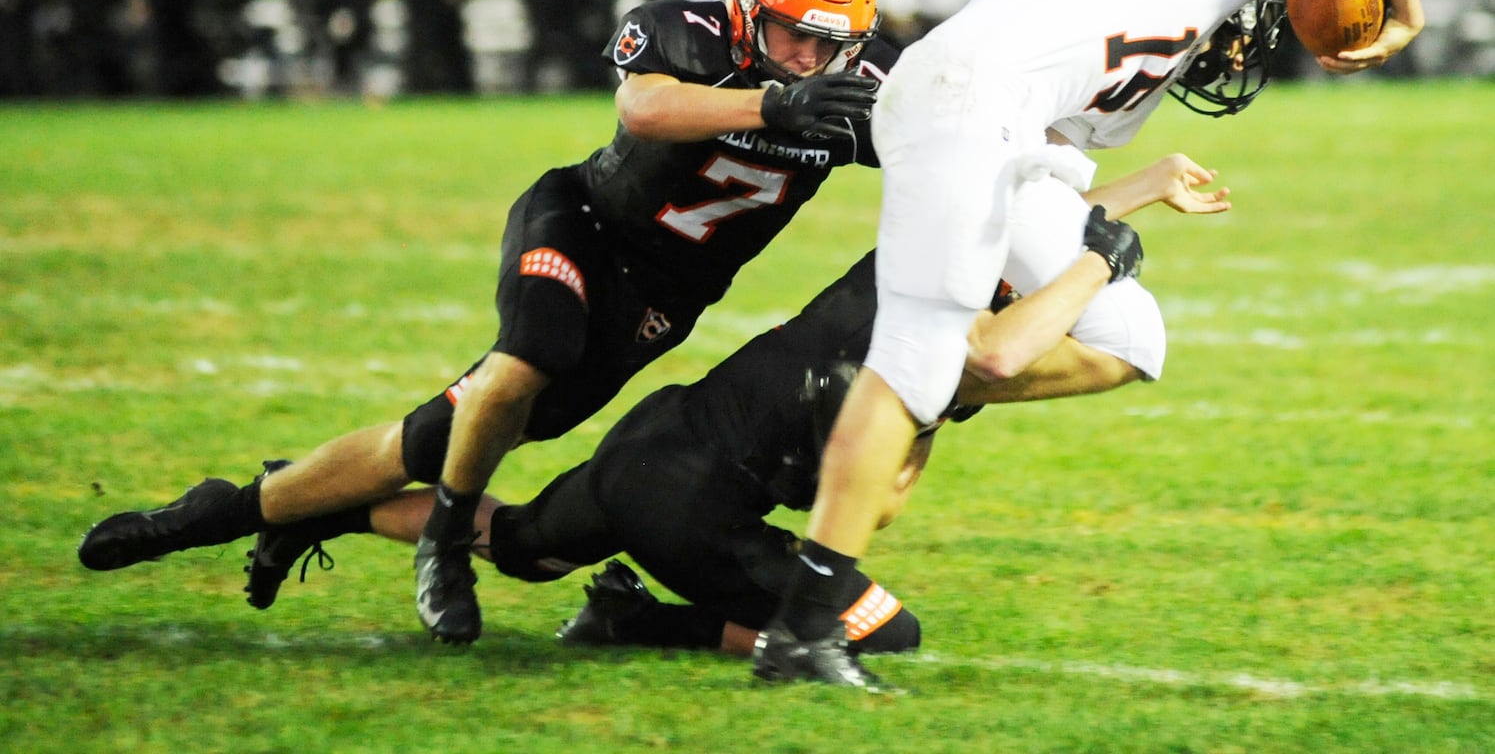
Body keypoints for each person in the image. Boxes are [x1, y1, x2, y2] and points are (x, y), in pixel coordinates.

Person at [76, 0, 889, 648]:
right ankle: (445, 542)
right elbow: (643, 110)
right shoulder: (683, 30)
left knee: (430, 439)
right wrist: (772, 106)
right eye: (794, 36)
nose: (812, 58)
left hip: (655, 304)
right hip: (582, 222)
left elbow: (954, 143)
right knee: (529, 354)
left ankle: (215, 512)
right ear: (748, 6)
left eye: (831, 42)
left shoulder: (847, 91)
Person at [82, 150, 1225, 655]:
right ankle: (642, 620)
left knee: (524, 544)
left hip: (661, 438)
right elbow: (999, 354)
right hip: (679, 476)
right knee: (885, 623)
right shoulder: (962, 339)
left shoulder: (932, 274)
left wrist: (1132, 205)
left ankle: (297, 508)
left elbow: (1014, 248)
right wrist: (1107, 257)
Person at [752, 0, 1426, 690]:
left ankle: (894, 391)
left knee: (1128, 336)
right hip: (959, 101)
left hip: (974, 111)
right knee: (926, 355)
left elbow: (1034, 184)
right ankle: (803, 629)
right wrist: (1406, 20)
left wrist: (1144, 185)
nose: (1245, 39)